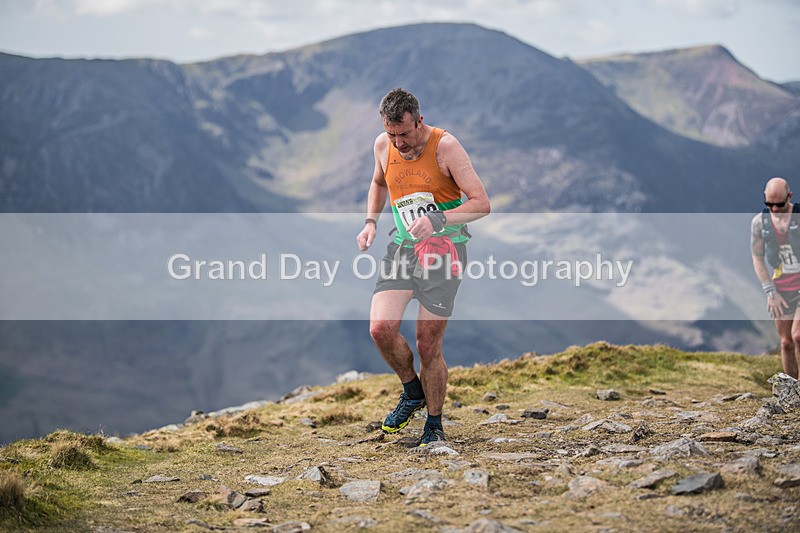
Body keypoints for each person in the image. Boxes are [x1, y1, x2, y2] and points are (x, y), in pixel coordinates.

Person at [356, 88, 490, 446]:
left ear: (420, 120)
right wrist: (370, 221)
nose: (399, 143)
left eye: (405, 133)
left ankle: (434, 424)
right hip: (403, 249)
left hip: (445, 252)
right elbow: (378, 182)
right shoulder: (383, 146)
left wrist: (439, 219)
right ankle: (412, 391)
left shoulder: (446, 147)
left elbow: (482, 204)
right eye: (391, 134)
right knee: (380, 329)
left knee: (428, 345)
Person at [751, 176, 800, 379]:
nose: (775, 209)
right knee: (786, 342)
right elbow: (757, 258)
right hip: (781, 288)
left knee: (799, 336)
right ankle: (793, 394)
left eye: (779, 204)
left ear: (790, 196)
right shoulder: (759, 223)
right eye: (769, 204)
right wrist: (770, 291)